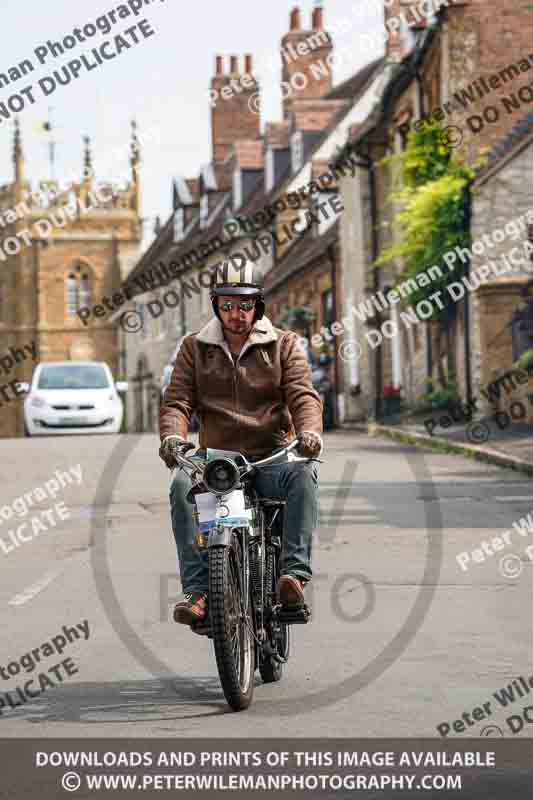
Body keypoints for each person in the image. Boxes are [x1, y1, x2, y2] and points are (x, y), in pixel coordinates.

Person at [159, 260, 323, 629]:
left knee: (304, 474)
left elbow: (303, 395)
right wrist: (172, 437)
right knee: (182, 486)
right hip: (217, 462)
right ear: (216, 305)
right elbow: (177, 402)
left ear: (258, 305)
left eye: (244, 304)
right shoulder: (194, 348)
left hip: (270, 458)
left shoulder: (284, 344)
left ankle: (292, 578)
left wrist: (309, 433)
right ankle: (199, 593)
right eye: (227, 304)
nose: (236, 314)